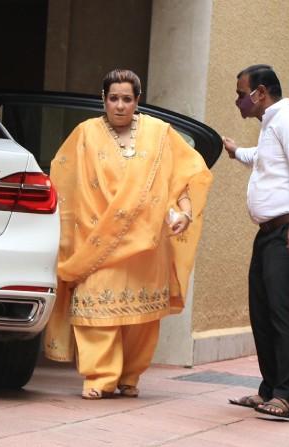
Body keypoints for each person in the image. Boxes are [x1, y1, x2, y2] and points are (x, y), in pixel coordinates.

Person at [43, 69, 213, 400]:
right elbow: (64, 181)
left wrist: (186, 213)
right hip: (96, 242)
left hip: (147, 245)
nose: (119, 106)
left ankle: (130, 376)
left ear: (138, 100)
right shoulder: (84, 134)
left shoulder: (159, 133)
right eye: (113, 98)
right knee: (96, 310)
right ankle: (99, 377)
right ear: (103, 99)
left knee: (140, 321)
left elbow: (187, 174)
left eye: (127, 99)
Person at [223, 64, 289, 421]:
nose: (238, 101)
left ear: (260, 93)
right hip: (268, 234)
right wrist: (236, 151)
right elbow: (265, 161)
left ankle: (287, 395)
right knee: (261, 310)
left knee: (279, 310)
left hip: (286, 231)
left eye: (240, 94)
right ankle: (269, 388)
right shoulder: (270, 125)